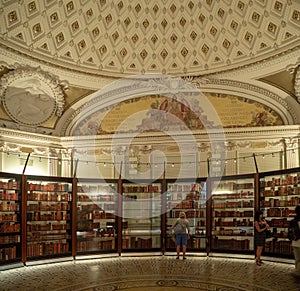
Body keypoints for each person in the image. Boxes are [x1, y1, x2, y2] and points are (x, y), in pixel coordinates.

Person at [290, 205, 300, 278]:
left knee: (297, 258)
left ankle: (297, 271)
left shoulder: (293, 221)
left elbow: (289, 233)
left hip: (295, 242)